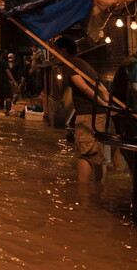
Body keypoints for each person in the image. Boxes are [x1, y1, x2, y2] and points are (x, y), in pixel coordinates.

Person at [56, 37, 108, 182]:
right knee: (98, 154)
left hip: (88, 114)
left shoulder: (70, 64)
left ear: (63, 50)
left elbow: (84, 87)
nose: (55, 52)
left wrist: (102, 103)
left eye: (56, 49)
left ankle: (83, 195)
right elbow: (99, 85)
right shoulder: (82, 63)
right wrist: (105, 103)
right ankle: (99, 191)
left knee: (86, 154)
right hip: (98, 114)